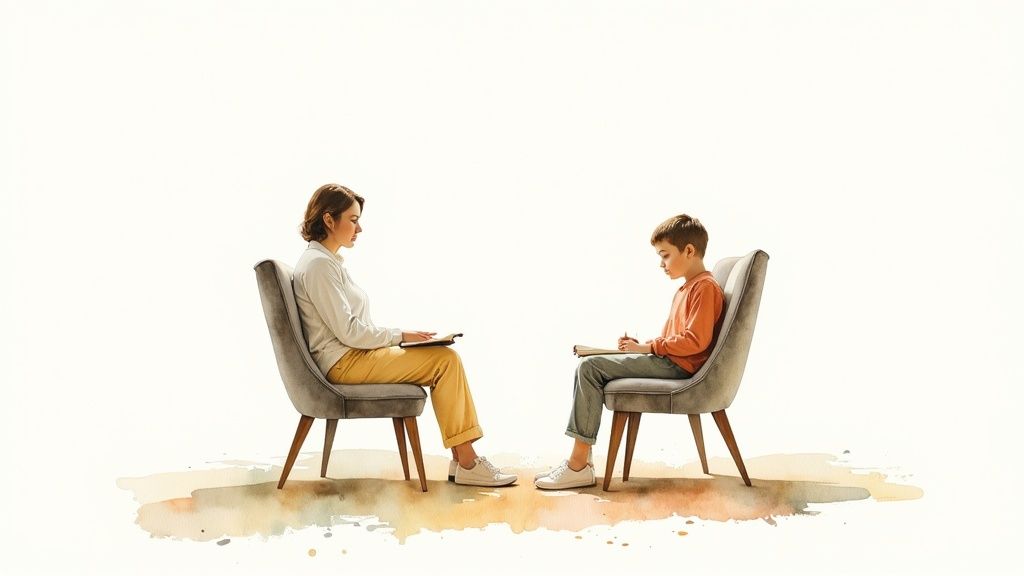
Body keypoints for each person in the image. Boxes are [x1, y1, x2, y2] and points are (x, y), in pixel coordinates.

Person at [292, 183, 517, 487]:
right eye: (353, 220)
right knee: (444, 361)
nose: (359, 229)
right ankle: (466, 461)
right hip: (344, 362)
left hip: (351, 356)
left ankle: (462, 460)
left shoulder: (326, 262)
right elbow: (348, 332)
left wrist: (402, 336)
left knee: (443, 357)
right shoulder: (319, 266)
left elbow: (351, 328)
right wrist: (401, 335)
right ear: (329, 220)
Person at [534, 214, 725, 490]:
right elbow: (677, 338)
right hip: (670, 361)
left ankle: (578, 464)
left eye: (665, 255)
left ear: (690, 251)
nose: (661, 264)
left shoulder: (704, 288)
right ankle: (582, 461)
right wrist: (644, 346)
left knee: (590, 368)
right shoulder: (687, 288)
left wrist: (649, 348)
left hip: (680, 368)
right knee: (590, 362)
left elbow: (696, 342)